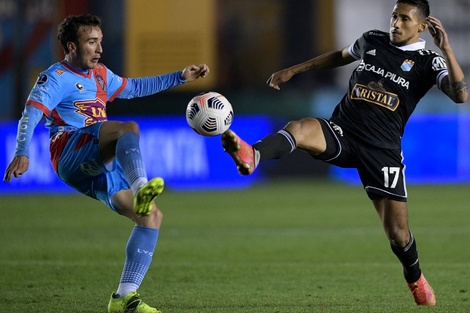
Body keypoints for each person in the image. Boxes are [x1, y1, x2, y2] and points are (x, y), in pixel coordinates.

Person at [222, 0, 467, 307]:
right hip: (344, 131)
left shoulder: (429, 61)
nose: (396, 23)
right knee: (300, 128)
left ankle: (416, 278)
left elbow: (460, 95)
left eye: (404, 19)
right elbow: (339, 56)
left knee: (398, 235)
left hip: (383, 152)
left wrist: (448, 50)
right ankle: (252, 155)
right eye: (394, 16)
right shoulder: (372, 40)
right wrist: (294, 70)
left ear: (421, 26)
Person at [3, 14, 209, 313]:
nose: (99, 49)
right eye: (91, 42)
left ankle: (124, 298)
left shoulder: (100, 75)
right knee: (128, 129)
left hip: (98, 164)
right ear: (71, 46)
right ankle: (141, 186)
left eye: (100, 41)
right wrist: (22, 151)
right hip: (70, 149)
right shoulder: (56, 77)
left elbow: (135, 87)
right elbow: (30, 113)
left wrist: (180, 76)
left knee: (150, 217)